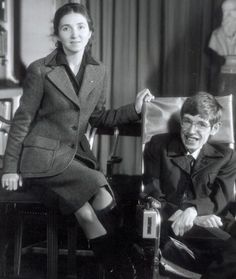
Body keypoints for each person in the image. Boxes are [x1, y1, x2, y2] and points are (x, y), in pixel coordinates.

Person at [1, 3, 153, 278]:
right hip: (41, 160)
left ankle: (118, 264)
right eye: (66, 28)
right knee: (93, 198)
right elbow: (22, 120)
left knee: (95, 206)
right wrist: (10, 168)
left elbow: (98, 117)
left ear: (90, 31)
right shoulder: (40, 70)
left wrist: (135, 109)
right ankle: (125, 263)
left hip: (74, 159)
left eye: (81, 27)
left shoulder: (98, 71)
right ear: (57, 35)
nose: (75, 34)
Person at [143, 92, 236, 279]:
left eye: (201, 124)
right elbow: (153, 194)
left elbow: (221, 198)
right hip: (172, 224)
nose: (191, 131)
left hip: (214, 225)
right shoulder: (158, 146)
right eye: (187, 121)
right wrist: (189, 217)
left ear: (215, 128)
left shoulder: (226, 156)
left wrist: (193, 211)